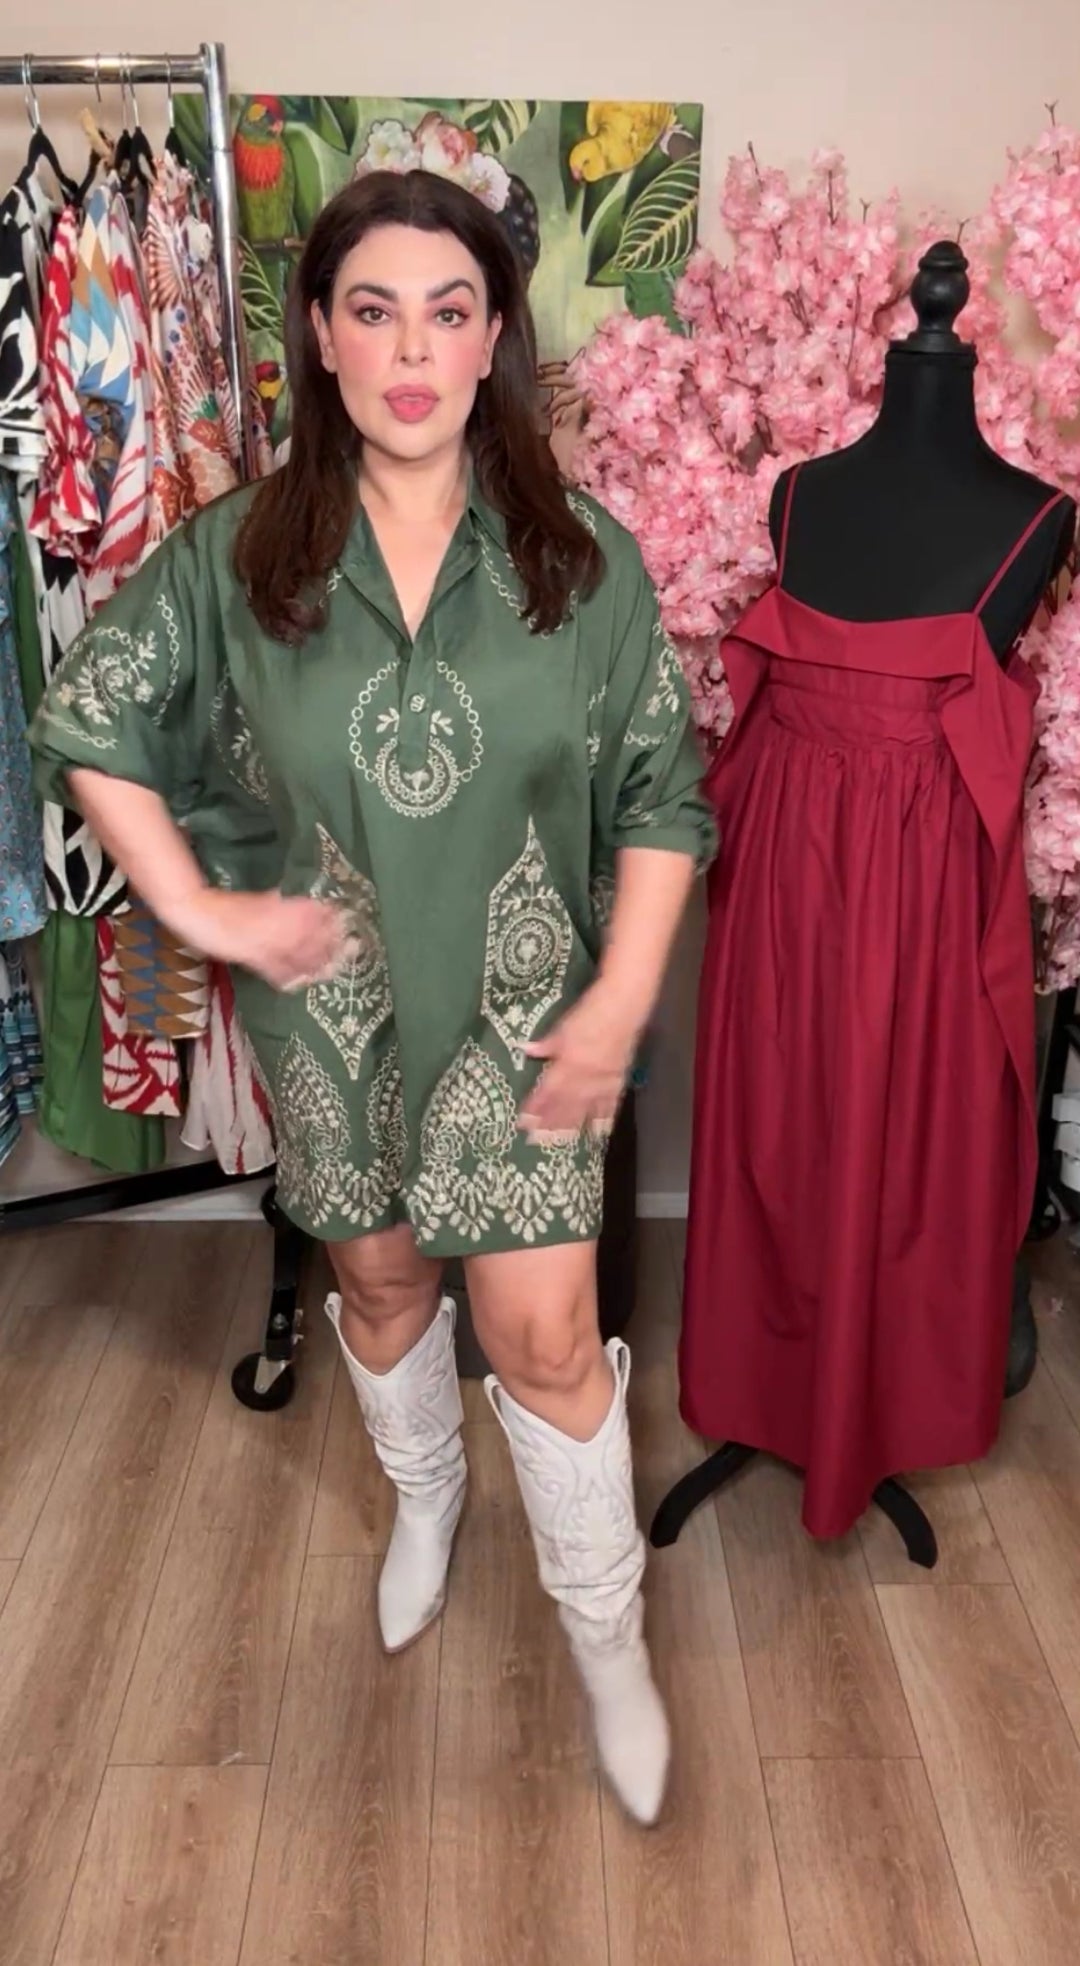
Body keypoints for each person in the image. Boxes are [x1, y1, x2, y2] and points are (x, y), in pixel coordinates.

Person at [29, 168, 715, 1827]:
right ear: (322, 340)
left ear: (493, 343)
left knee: (545, 1337)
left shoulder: (580, 566)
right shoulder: (238, 558)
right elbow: (91, 714)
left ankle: (607, 1638)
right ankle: (425, 1499)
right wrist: (199, 904)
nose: (413, 350)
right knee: (386, 1284)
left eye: (449, 312)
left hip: (529, 1020)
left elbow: (664, 798)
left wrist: (624, 994)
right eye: (375, 310)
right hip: (331, 1021)